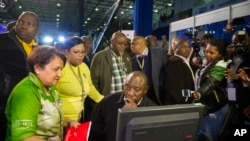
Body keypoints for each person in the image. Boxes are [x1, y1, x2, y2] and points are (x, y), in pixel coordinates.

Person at [5, 46, 68, 141]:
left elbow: (46, 119)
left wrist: (68, 122)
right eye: (55, 69)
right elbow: (25, 137)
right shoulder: (27, 93)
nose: (60, 74)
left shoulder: (50, 88)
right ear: (37, 68)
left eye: (61, 69)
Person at [0, 11, 40, 140]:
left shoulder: (37, 49)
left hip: (24, 102)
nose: (23, 26)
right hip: (3, 103)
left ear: (37, 29)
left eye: (29, 24)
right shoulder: (2, 41)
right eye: (21, 22)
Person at [89, 71, 157, 141]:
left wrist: (137, 114)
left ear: (145, 90)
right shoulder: (108, 101)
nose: (130, 93)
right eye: (127, 87)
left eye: (136, 89)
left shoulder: (153, 110)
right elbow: (93, 131)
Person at [55, 36, 104, 124]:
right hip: (59, 120)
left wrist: (104, 101)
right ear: (66, 52)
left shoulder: (84, 67)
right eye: (76, 52)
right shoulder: (60, 68)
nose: (80, 55)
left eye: (83, 52)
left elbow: (90, 88)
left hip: (77, 119)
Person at [191, 39, 232, 141]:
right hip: (207, 106)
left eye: (211, 52)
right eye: (206, 51)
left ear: (220, 54)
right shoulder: (207, 62)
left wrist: (199, 93)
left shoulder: (222, 65)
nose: (207, 54)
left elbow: (212, 82)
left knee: (209, 137)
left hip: (215, 108)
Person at [90, 31, 132, 96]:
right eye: (120, 43)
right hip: (107, 98)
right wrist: (98, 101)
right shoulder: (100, 56)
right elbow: (93, 81)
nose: (123, 46)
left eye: (125, 44)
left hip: (124, 98)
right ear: (112, 42)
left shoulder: (126, 56)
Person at [130, 36, 167, 105]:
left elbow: (167, 72)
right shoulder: (132, 60)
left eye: (134, 44)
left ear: (143, 44)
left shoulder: (160, 53)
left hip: (159, 94)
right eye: (131, 44)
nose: (131, 46)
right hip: (142, 97)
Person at [163, 39, 195, 105]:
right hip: (180, 104)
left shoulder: (182, 61)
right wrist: (187, 98)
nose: (187, 49)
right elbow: (176, 88)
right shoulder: (175, 62)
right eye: (184, 47)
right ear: (175, 49)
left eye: (188, 47)